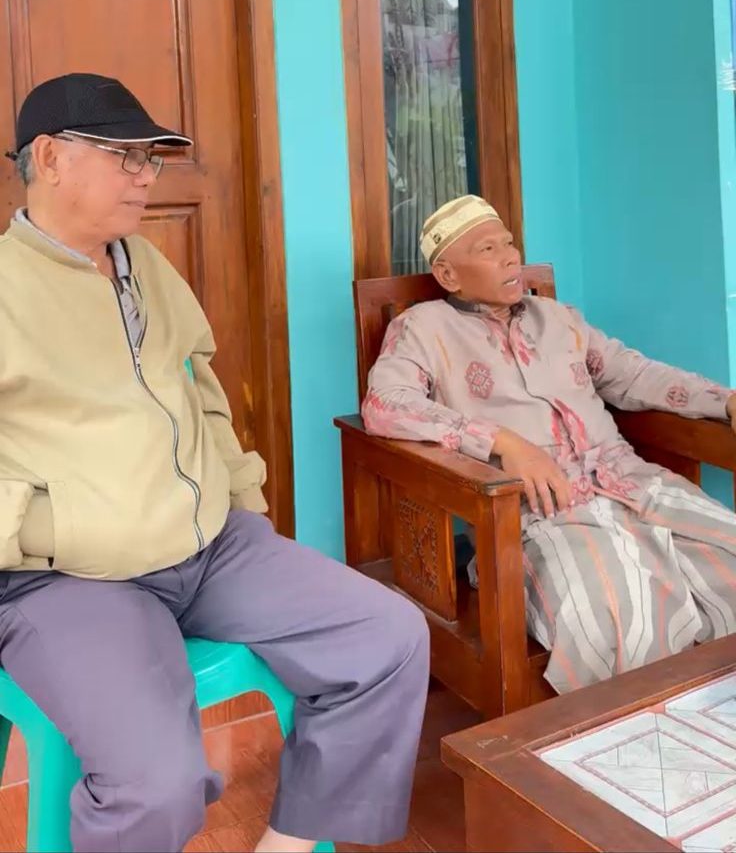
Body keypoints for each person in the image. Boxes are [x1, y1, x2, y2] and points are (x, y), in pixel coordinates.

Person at [0, 73, 429, 853]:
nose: (146, 176)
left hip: (207, 547)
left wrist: (239, 501)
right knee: (155, 785)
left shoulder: (145, 265)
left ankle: (289, 845)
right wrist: (41, 529)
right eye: (125, 156)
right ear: (52, 158)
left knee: (388, 637)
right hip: (71, 579)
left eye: (151, 159)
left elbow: (200, 389)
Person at [363, 193, 736, 695]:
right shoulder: (422, 328)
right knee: (616, 612)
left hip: (631, 485)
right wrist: (502, 442)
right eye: (488, 249)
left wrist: (723, 401)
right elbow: (385, 404)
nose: (510, 257)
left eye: (509, 244)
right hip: (539, 511)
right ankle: (641, 730)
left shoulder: (559, 319)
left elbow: (632, 374)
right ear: (448, 275)